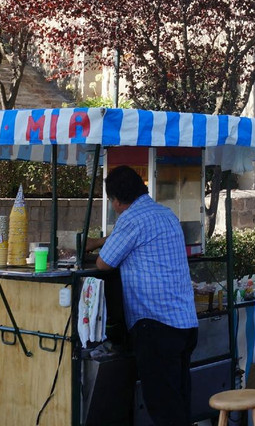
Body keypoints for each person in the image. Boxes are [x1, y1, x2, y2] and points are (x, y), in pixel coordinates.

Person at [86, 165, 198, 426]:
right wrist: (101, 240)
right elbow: (128, 240)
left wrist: (94, 246)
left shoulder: (131, 219)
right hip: (183, 323)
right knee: (178, 401)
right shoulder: (164, 213)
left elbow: (104, 264)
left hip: (156, 326)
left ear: (115, 201)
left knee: (164, 407)